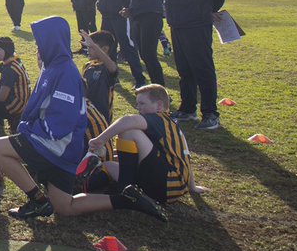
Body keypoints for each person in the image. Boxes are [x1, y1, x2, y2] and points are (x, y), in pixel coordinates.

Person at [0, 15, 89, 219]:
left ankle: (38, 201)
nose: (37, 48)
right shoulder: (52, 67)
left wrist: (30, 132)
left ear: (52, 41)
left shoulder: (65, 71)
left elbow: (62, 121)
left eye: (40, 42)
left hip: (58, 145)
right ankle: (126, 199)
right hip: (51, 141)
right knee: (64, 208)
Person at [71, 85, 207, 220]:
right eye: (137, 104)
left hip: (165, 186)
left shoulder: (159, 117)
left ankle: (125, 191)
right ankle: (83, 185)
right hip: (173, 186)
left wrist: (100, 139)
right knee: (109, 165)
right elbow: (185, 157)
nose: (139, 108)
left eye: (142, 103)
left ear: (159, 105)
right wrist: (192, 187)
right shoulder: (171, 126)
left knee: (129, 130)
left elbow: (128, 120)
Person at [159, 0, 228, 131]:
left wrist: (206, 10)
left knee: (202, 68)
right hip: (177, 23)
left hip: (196, 23)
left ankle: (210, 114)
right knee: (184, 68)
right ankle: (188, 109)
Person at [98, 0, 146, 87]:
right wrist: (99, 3)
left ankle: (139, 80)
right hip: (106, 16)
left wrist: (129, 8)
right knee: (108, 48)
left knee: (128, 48)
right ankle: (113, 78)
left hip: (122, 16)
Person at [0, 36, 30, 135]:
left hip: (15, 106)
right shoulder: (13, 60)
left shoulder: (9, 69)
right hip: (20, 100)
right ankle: (1, 122)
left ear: (7, 50)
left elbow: (1, 97)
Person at [80, 30, 118, 122]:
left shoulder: (107, 67)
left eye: (90, 47)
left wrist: (93, 45)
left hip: (102, 118)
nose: (87, 50)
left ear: (105, 49)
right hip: (87, 114)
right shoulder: (87, 66)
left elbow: (113, 68)